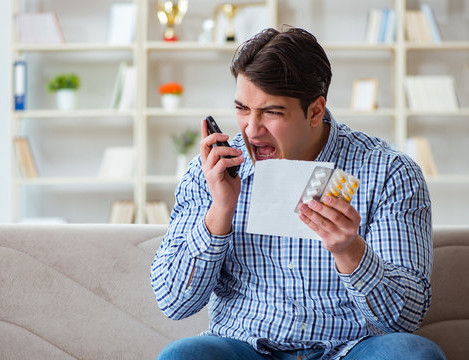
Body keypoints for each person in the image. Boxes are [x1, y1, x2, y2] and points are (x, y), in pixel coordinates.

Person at [150, 27, 446, 360]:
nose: (251, 129)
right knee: (182, 356)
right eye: (242, 109)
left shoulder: (389, 172)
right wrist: (220, 212)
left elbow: (405, 318)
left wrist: (351, 252)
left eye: (271, 112)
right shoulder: (211, 171)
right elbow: (173, 302)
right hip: (245, 346)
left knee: (414, 354)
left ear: (315, 111)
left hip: (350, 349)